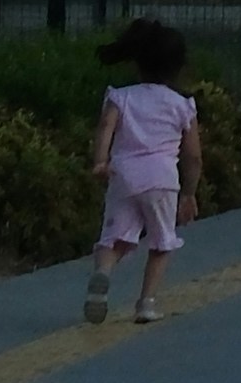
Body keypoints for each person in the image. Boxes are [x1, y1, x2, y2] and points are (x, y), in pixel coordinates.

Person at [86, 19, 202, 327]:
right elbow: (193, 156)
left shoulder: (121, 97)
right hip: (162, 179)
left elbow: (105, 127)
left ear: (138, 63)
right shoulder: (182, 105)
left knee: (115, 237)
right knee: (162, 242)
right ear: (179, 66)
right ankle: (146, 303)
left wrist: (100, 161)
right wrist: (189, 193)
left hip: (122, 175)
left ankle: (102, 275)